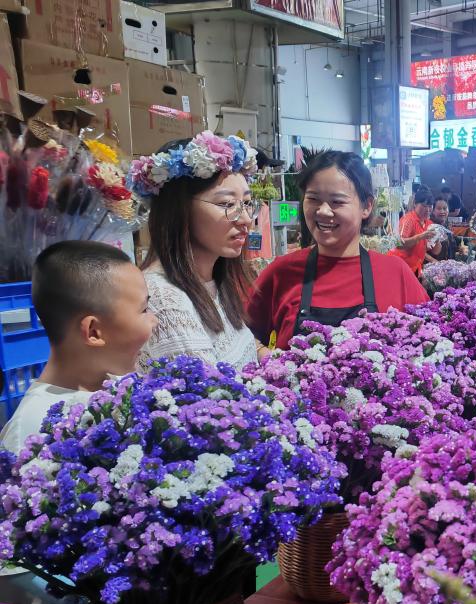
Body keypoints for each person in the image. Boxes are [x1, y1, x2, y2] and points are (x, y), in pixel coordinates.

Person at [248, 151, 428, 351]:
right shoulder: (282, 271)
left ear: (367, 206)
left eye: (337, 201)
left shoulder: (395, 273)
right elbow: (240, 336)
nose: (323, 211)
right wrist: (265, 357)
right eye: (313, 199)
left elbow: (430, 338)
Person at [128, 132, 266, 372]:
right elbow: (214, 400)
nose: (245, 219)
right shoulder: (165, 301)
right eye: (226, 205)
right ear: (179, 210)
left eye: (246, 203)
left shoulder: (212, 280)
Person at [0, 241, 156, 452]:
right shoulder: (36, 432)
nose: (154, 320)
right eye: (144, 309)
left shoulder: (116, 385)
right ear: (93, 332)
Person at [393, 188, 435, 277]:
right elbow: (399, 244)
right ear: (415, 204)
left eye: (430, 206)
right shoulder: (408, 220)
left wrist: (438, 239)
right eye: (424, 206)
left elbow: (435, 251)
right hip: (400, 267)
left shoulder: (429, 223)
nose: (427, 210)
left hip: (415, 268)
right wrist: (420, 237)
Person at [427, 197, 458, 262]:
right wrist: (434, 261)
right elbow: (421, 251)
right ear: (432, 211)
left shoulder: (447, 227)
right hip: (433, 268)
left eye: (445, 208)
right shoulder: (429, 227)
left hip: (448, 267)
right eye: (439, 208)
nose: (442, 211)